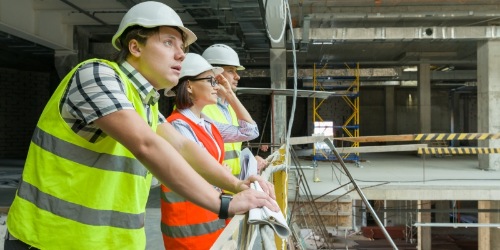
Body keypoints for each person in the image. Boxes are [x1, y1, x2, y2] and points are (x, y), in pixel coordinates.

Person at [3, 2, 277, 249]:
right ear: (135, 47)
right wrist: (223, 203)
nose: (180, 55)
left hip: (110, 243)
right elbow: (147, 145)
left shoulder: (146, 104)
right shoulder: (96, 74)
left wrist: (237, 184)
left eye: (182, 48)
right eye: (169, 43)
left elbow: (182, 146)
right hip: (49, 240)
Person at [161, 53, 259, 249]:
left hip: (211, 218)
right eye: (211, 80)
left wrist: (230, 94)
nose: (217, 86)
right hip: (187, 226)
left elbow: (250, 131)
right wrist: (221, 173)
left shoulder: (206, 123)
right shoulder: (178, 126)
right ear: (189, 86)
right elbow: (196, 173)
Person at [202, 44, 270, 176]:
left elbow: (234, 148)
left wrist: (250, 161)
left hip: (231, 185)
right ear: (213, 74)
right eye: (231, 70)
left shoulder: (231, 108)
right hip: (211, 186)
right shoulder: (199, 108)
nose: (237, 76)